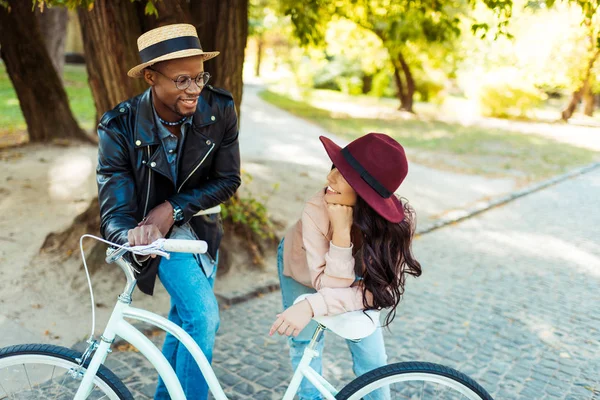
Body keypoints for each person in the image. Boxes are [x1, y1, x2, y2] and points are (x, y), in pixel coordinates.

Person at [96, 24, 241, 399]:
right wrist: (131, 235)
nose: (195, 90)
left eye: (199, 77)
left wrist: (172, 208)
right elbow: (114, 205)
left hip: (203, 230)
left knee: (185, 320)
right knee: (204, 316)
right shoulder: (119, 126)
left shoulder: (220, 108)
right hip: (158, 239)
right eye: (182, 80)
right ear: (151, 77)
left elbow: (228, 180)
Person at [269, 133, 422, 400]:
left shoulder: (396, 228)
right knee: (303, 341)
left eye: (342, 175)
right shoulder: (316, 209)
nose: (329, 178)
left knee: (372, 357)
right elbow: (325, 286)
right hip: (304, 268)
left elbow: (378, 292)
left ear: (366, 193)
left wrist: (311, 305)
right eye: (334, 169)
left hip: (358, 283)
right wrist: (340, 235)